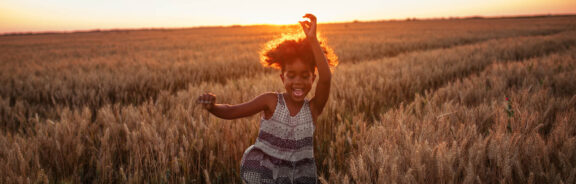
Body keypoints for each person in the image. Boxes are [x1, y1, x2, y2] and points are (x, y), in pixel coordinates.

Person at [197, 13, 338, 184]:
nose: (298, 82)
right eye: (291, 76)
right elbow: (234, 111)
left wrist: (313, 40)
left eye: (304, 76)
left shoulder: (313, 109)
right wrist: (213, 107)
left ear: (312, 79)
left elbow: (326, 79)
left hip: (299, 178)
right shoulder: (270, 101)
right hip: (266, 176)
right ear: (282, 78)